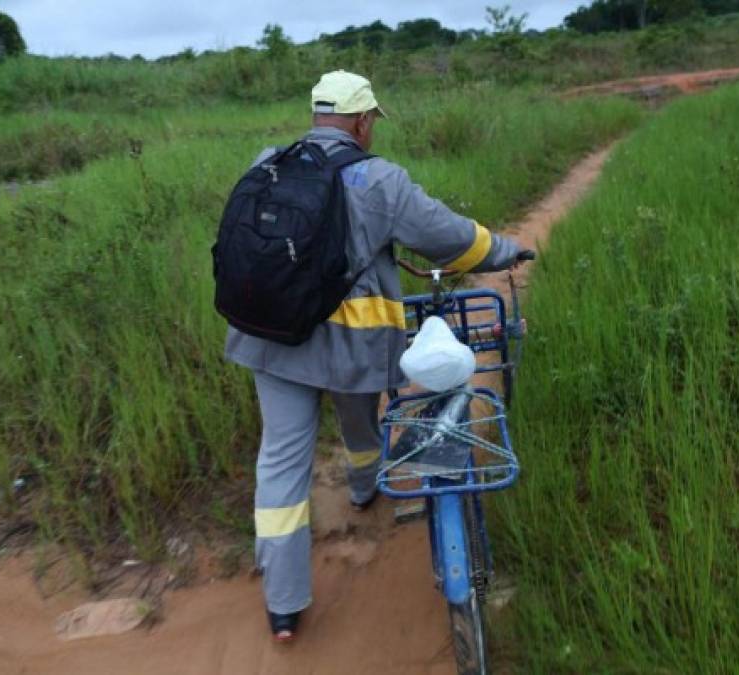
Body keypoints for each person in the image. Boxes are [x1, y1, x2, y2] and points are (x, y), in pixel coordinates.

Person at [223, 70, 523, 641]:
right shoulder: (377, 178)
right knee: (361, 423)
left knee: (281, 459)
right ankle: (365, 491)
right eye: (371, 122)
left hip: (268, 334)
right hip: (348, 342)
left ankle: (283, 606)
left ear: (317, 116)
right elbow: (449, 237)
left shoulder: (267, 160)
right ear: (362, 122)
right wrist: (504, 250)